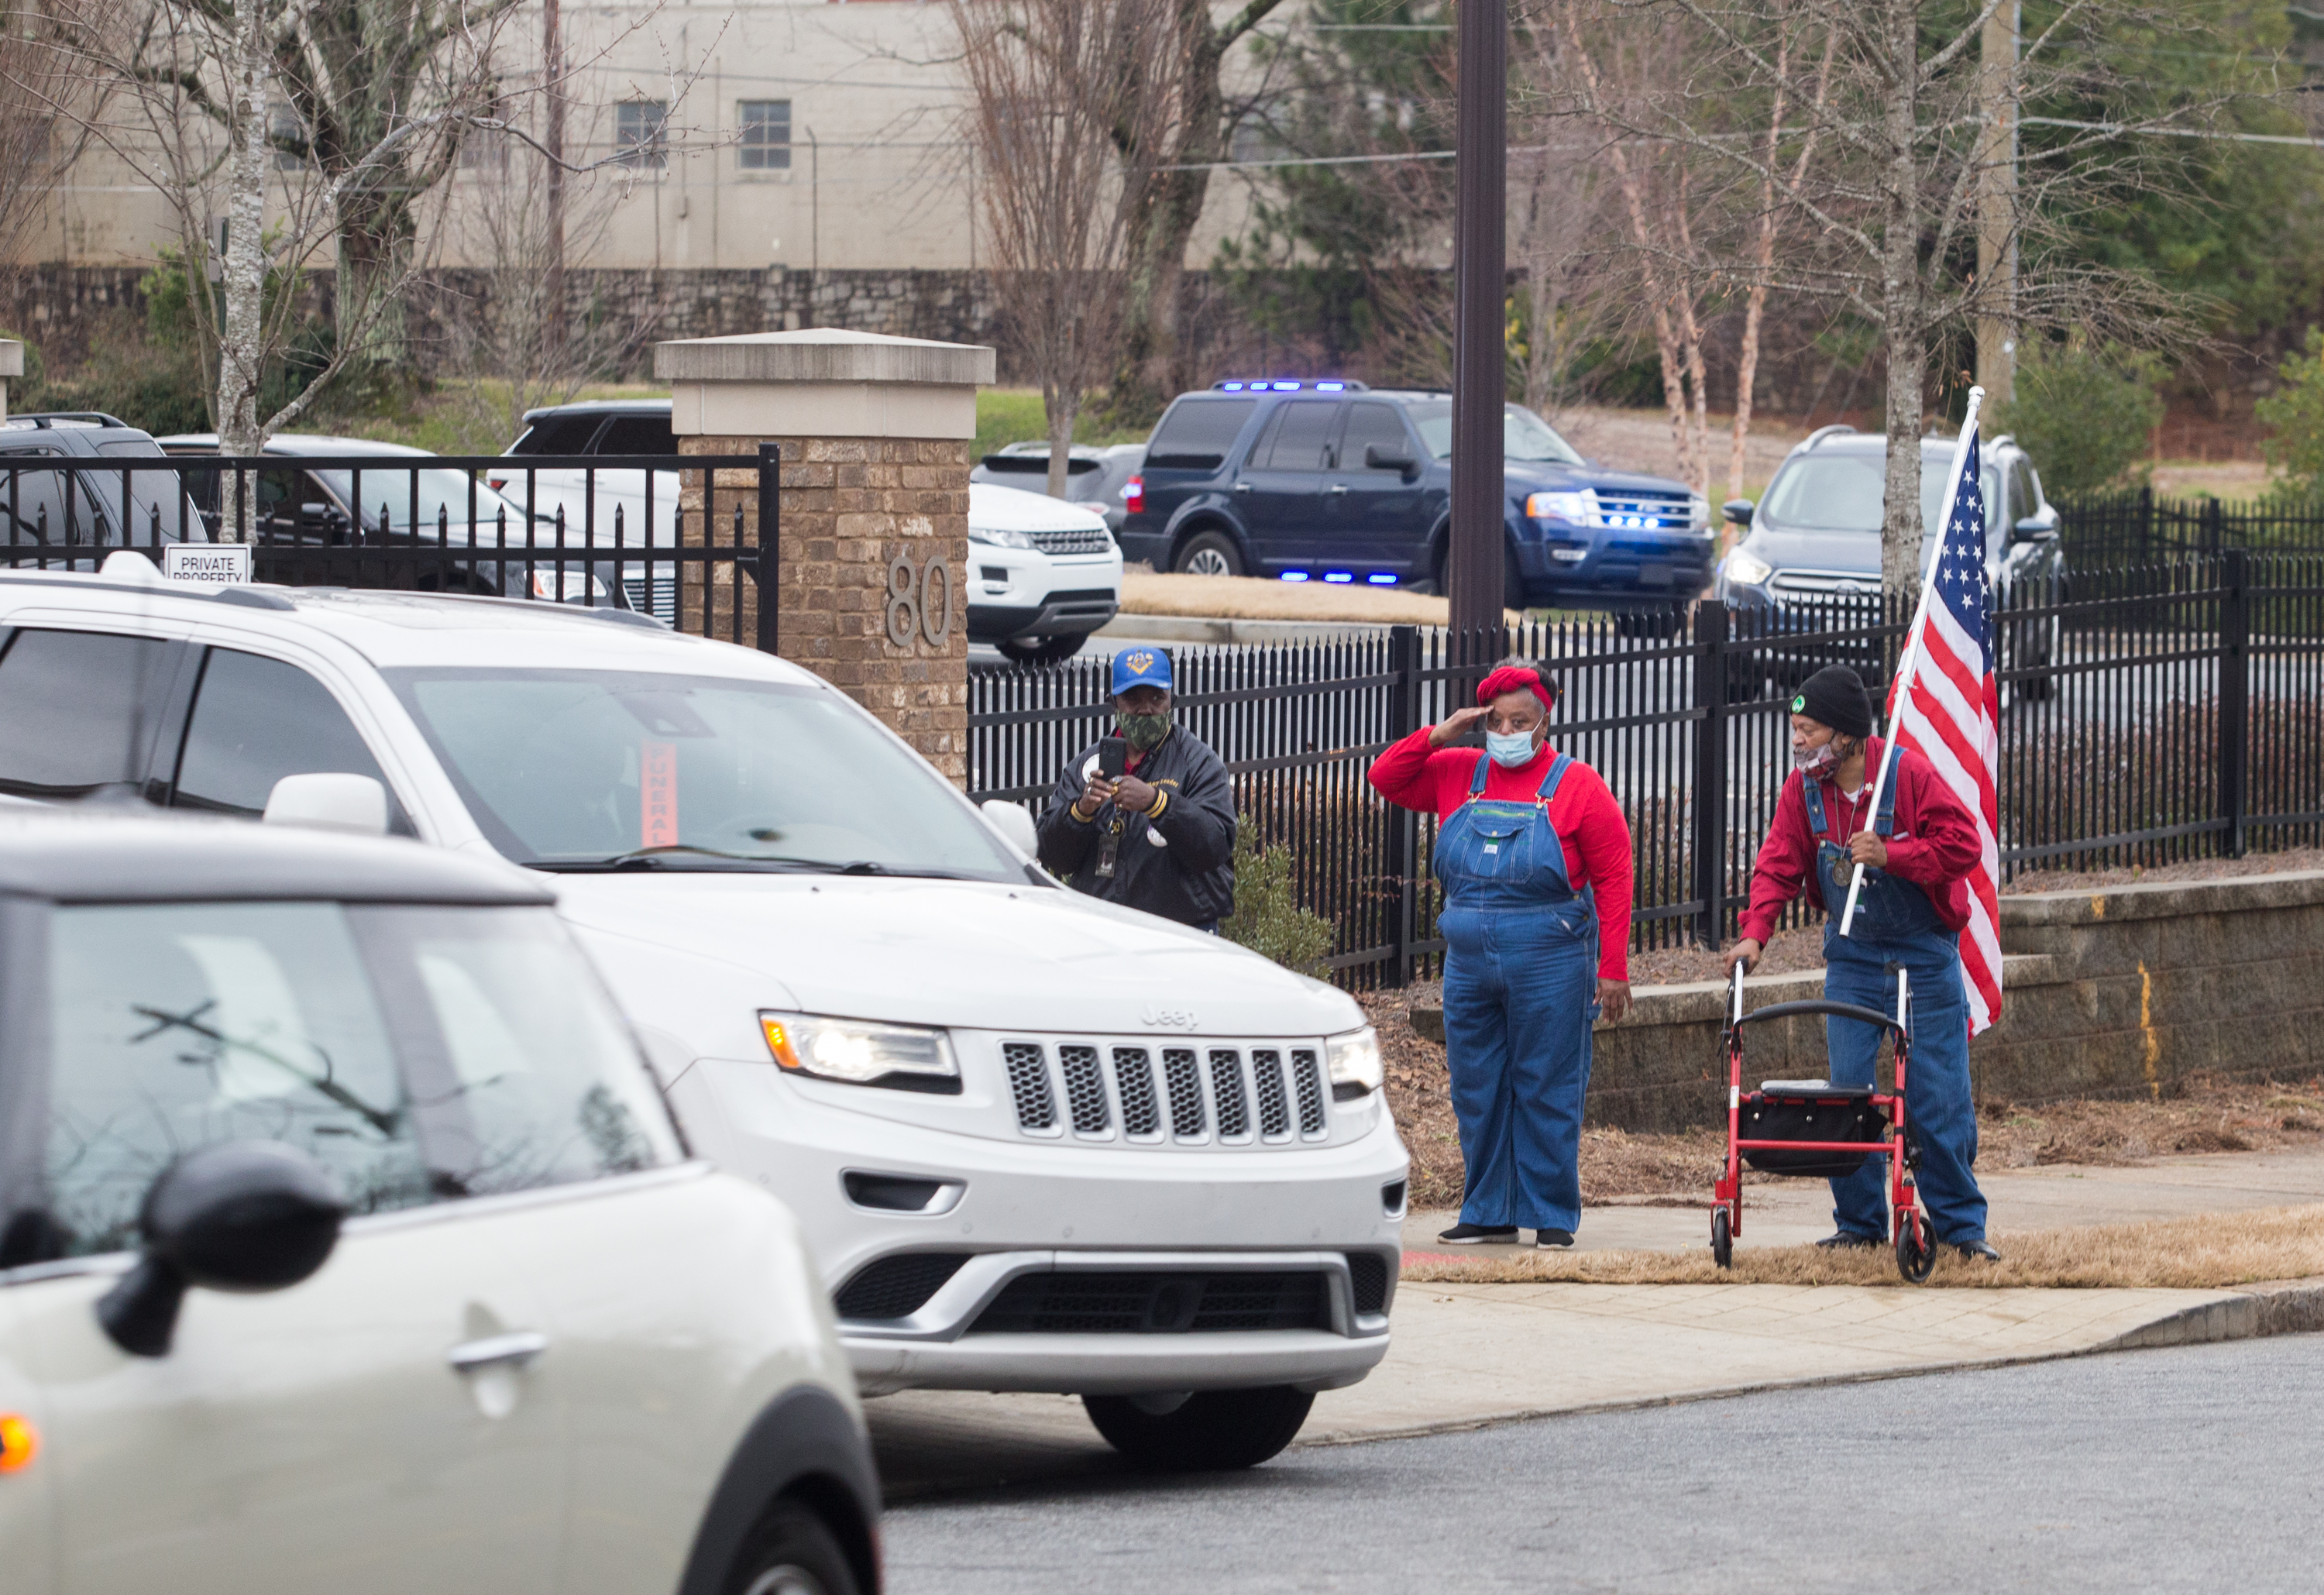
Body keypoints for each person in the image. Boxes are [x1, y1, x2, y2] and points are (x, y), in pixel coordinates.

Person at [1720, 663, 2000, 1261]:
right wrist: (1754, 935)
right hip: (1851, 956)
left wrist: (1894, 854)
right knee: (1846, 1092)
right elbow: (1778, 864)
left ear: (1846, 734)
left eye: (1810, 730)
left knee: (1933, 1097)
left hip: (1921, 957)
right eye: (1794, 728)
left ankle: (1959, 1228)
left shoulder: (1909, 775)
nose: (1798, 741)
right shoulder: (1802, 793)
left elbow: (1963, 845)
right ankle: (1860, 1221)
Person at [1369, 659, 1634, 1249]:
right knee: (1477, 1084)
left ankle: (1552, 1213)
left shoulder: (1578, 784)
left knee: (1547, 1082)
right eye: (1499, 721)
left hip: (1551, 956)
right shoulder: (1458, 770)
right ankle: (1488, 1208)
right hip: (1468, 959)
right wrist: (1442, 732)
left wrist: (1612, 968)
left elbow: (1615, 874)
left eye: (1522, 721)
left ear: (1545, 724)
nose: (1509, 732)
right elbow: (1385, 776)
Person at [1036, 648, 1236, 930]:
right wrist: (1081, 812)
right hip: (1104, 928)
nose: (1146, 709)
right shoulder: (1086, 766)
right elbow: (1054, 856)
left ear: (1172, 701)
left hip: (1180, 929)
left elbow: (1214, 847)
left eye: (1157, 698)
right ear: (1114, 703)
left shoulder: (1198, 763)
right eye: (1132, 698)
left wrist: (1158, 804)